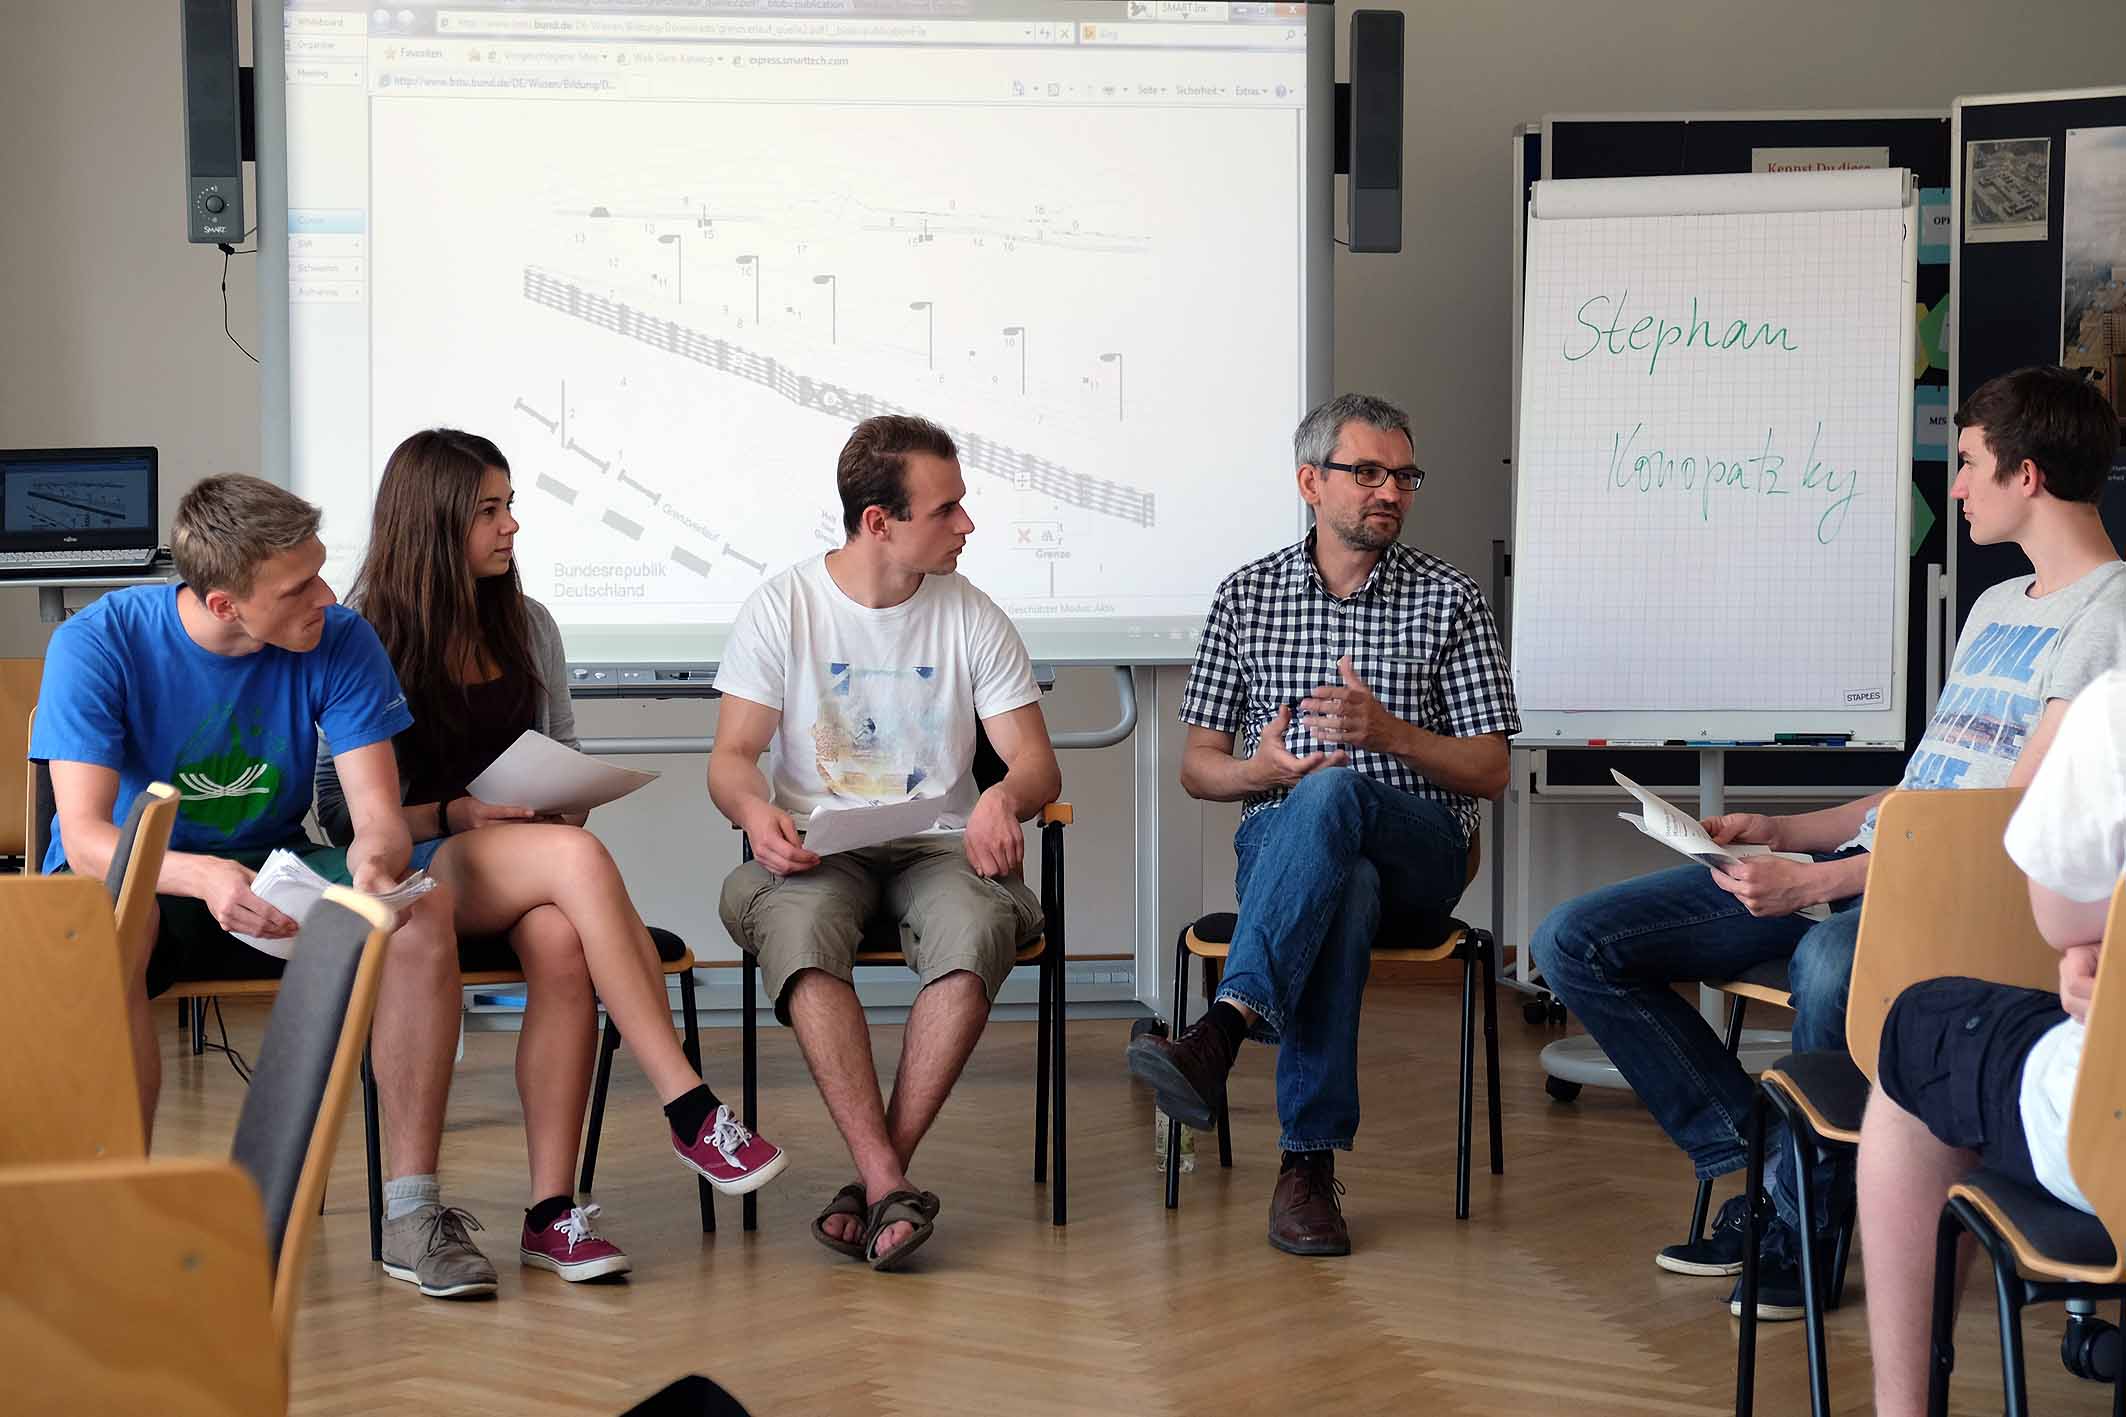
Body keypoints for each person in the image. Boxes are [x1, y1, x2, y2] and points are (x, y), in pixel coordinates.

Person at [1530, 365, 2126, 1319]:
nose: (1956, 486)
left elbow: (1998, 831)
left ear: (2028, 475)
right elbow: (1927, 788)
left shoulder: (2108, 617)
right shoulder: (1996, 607)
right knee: (1574, 941)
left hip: (1953, 900)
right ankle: (1769, 1167)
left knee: (1824, 965)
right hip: (1868, 872)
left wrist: (1815, 885)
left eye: (1969, 463)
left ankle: (1800, 1227)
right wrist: (1788, 833)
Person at [315, 428, 786, 1285]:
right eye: (488, 510)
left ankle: (550, 1213)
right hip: (417, 865)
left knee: (564, 935)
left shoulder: (528, 624)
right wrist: (458, 812)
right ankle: (688, 1104)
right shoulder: (362, 633)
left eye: (510, 505)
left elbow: (559, 748)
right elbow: (338, 812)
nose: (511, 526)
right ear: (433, 522)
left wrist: (563, 795)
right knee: (575, 859)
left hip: (518, 859)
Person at [31, 473, 495, 1299]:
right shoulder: (96, 641)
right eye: (298, 587)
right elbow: (93, 839)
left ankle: (411, 1213)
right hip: (142, 874)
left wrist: (376, 869)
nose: (326, 595)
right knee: (111, 930)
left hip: (274, 866)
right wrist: (204, 875)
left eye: (319, 570)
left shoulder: (339, 637)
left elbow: (378, 818)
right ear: (225, 604)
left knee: (419, 913)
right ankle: (114, 1214)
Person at [1124, 392, 1520, 1257]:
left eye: (1404, 476)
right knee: (1344, 882)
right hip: (1286, 851)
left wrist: (1390, 734)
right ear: (1311, 482)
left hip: (1423, 851)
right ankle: (1305, 1168)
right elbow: (1198, 766)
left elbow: (1492, 770)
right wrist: (1261, 771)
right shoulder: (1247, 596)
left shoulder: (1449, 598)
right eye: (1368, 472)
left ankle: (1222, 1032)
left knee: (1339, 793)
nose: (1391, 491)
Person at [712, 413, 1061, 1271]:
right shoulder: (784, 607)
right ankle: (886, 1183)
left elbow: (1037, 764)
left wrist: (1003, 796)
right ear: (879, 521)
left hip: (938, 847)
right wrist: (755, 812)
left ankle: (877, 1180)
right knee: (797, 928)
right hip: (817, 846)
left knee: (981, 926)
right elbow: (730, 759)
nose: (967, 524)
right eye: (946, 510)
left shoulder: (972, 614)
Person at [1859, 668, 2124, 1416]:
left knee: (1918, 1026)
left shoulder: (2113, 704)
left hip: (2106, 1146)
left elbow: (2059, 912)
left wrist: (2100, 944)